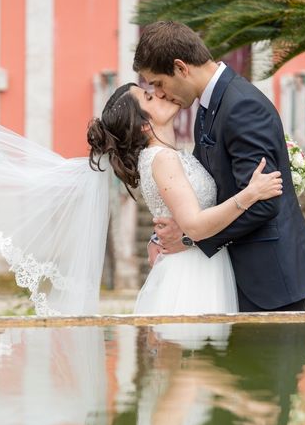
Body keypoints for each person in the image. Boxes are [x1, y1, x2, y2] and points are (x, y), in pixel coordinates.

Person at [132, 22, 305, 312]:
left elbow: (264, 203)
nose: (159, 93)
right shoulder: (207, 108)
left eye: (158, 82)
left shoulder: (242, 106)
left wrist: (191, 239)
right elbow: (206, 188)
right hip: (240, 279)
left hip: (271, 284)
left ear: (181, 68)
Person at [86, 83, 282, 314]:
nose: (160, 93)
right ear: (144, 126)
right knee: (189, 342)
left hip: (199, 266)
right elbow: (195, 225)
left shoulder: (168, 155)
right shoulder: (163, 159)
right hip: (189, 275)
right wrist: (251, 194)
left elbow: (182, 213)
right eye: (149, 98)